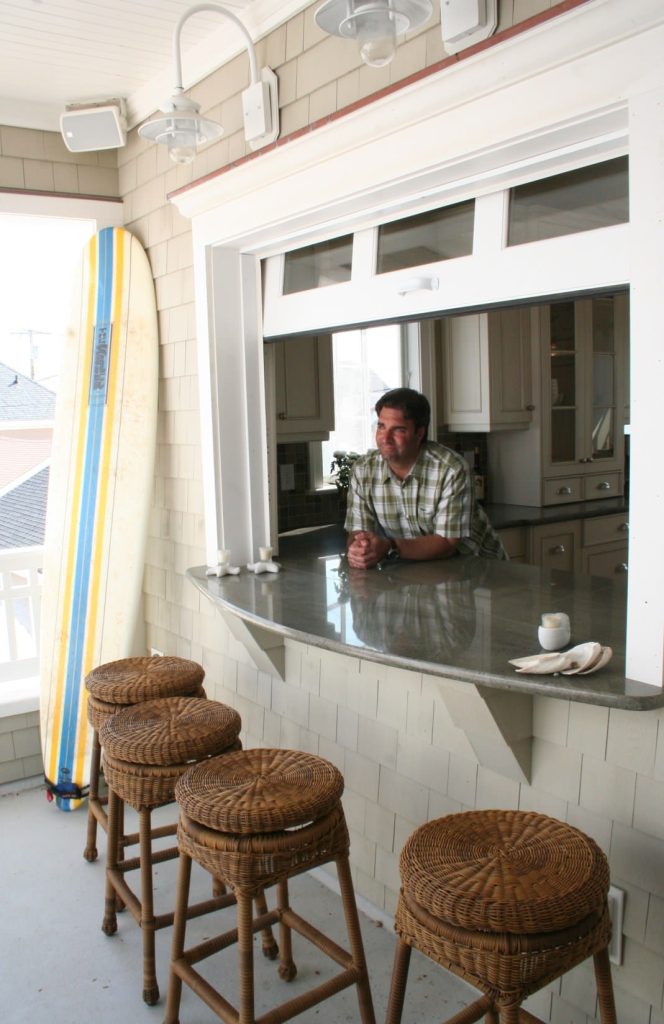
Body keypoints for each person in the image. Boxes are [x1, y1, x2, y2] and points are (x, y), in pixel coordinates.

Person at [345, 387, 506, 569]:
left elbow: (447, 543)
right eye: (381, 426)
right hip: (422, 571)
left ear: (419, 433)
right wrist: (361, 547)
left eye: (398, 430)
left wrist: (389, 547)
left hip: (481, 572)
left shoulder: (451, 469)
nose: (385, 438)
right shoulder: (363, 470)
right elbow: (358, 530)